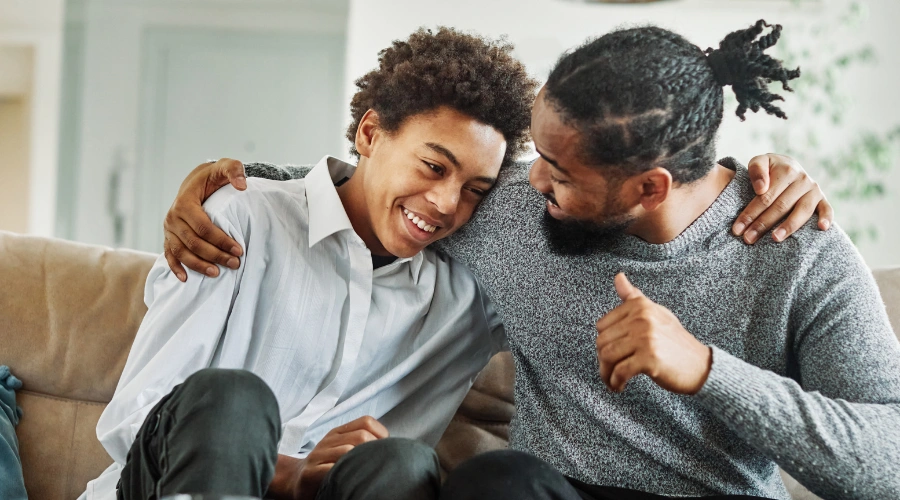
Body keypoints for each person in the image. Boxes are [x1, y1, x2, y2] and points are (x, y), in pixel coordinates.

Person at [166, 21, 900, 500]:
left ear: (649, 188)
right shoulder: (513, 209)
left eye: (558, 170)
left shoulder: (797, 249)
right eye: (535, 156)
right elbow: (381, 184)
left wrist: (706, 369)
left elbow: (888, 462)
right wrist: (230, 180)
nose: (529, 184)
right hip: (545, 491)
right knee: (494, 481)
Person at [80, 28, 536, 500]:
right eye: (433, 167)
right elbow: (136, 416)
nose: (446, 203)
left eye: (475, 190)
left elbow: (570, 187)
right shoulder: (240, 218)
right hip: (173, 482)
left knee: (402, 461)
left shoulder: (474, 295)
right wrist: (288, 474)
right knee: (233, 399)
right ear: (370, 133)